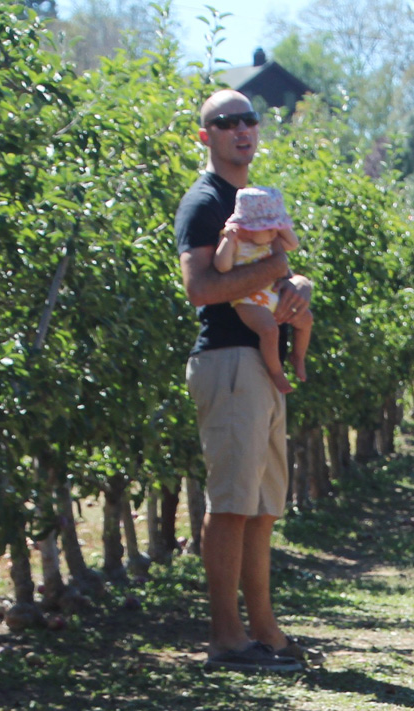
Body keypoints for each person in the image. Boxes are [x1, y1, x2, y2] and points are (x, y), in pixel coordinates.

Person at [175, 90, 313, 674]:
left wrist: (296, 282)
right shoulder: (205, 202)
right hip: (229, 362)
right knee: (231, 503)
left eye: (248, 119)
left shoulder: (254, 200)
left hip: (259, 364)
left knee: (261, 507)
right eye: (225, 123)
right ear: (205, 136)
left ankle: (265, 633)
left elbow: (278, 266)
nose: (240, 129)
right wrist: (276, 269)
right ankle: (227, 640)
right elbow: (202, 289)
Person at [215, 186, 312, 396]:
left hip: (272, 294)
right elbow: (222, 267)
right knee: (269, 330)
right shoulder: (236, 242)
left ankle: (298, 355)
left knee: (306, 319)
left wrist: (278, 226)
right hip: (247, 299)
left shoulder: (270, 238)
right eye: (268, 227)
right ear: (247, 227)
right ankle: (276, 371)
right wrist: (228, 240)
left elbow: (293, 244)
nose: (273, 232)